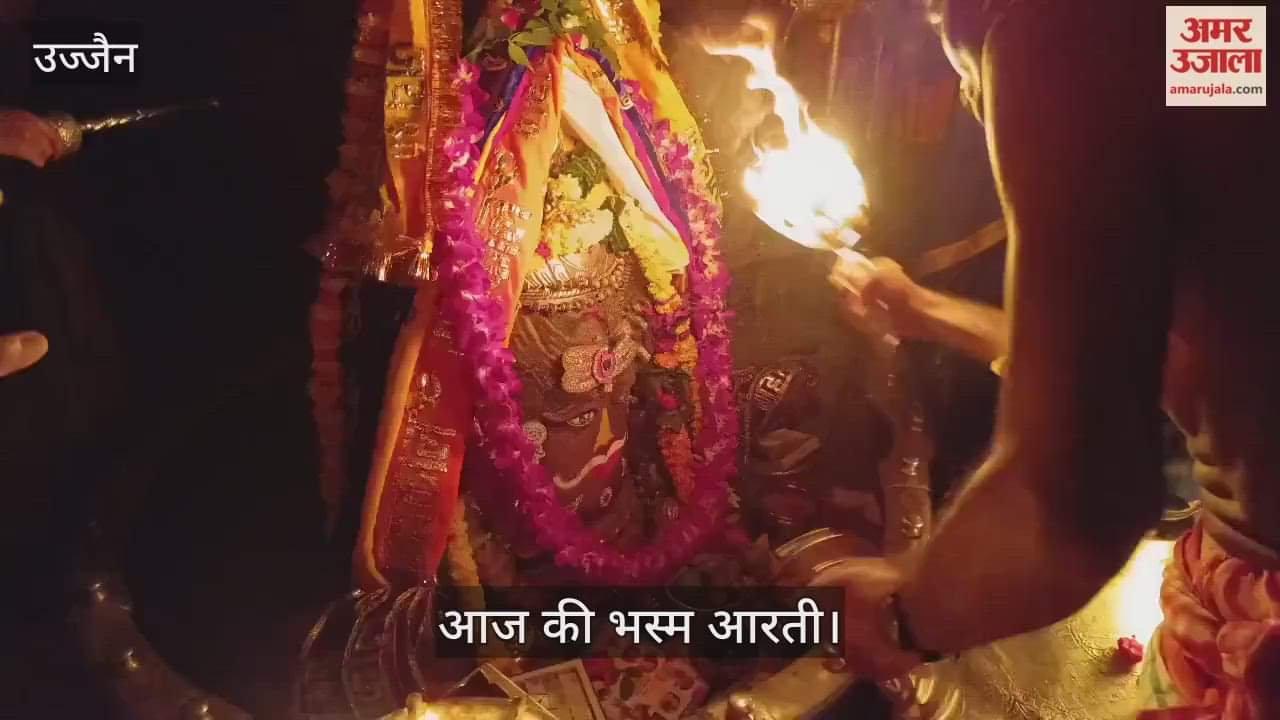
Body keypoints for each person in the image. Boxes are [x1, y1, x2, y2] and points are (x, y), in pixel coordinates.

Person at [817, 2, 1276, 718]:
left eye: (935, 15)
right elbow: (1180, 341)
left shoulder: (1063, 28)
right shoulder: (1211, 38)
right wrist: (924, 310)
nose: (963, 82)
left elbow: (1072, 510)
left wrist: (898, 615)